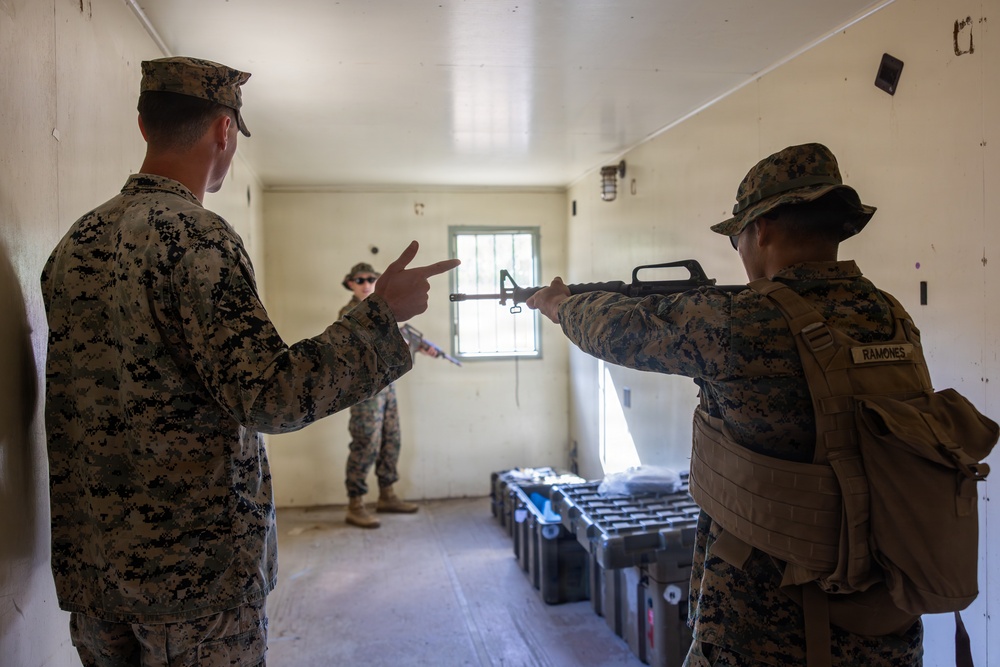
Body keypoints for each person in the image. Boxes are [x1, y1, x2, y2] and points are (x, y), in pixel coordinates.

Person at [40, 56, 459, 667]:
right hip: (195, 583)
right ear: (224, 131)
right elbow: (271, 396)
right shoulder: (197, 236)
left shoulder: (76, 242)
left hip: (97, 578)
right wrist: (381, 316)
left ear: (142, 124)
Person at [526, 143, 923, 666]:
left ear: (761, 229)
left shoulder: (744, 320)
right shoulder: (889, 314)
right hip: (883, 609)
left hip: (765, 624)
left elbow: (617, 331)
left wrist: (559, 304)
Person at [338, 261, 434, 528]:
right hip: (364, 391)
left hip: (386, 387)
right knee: (365, 442)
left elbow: (398, 339)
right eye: (360, 280)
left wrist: (419, 346)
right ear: (350, 284)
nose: (366, 284)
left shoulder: (383, 310)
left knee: (391, 439)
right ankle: (355, 503)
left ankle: (387, 495)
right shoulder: (349, 313)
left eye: (371, 279)